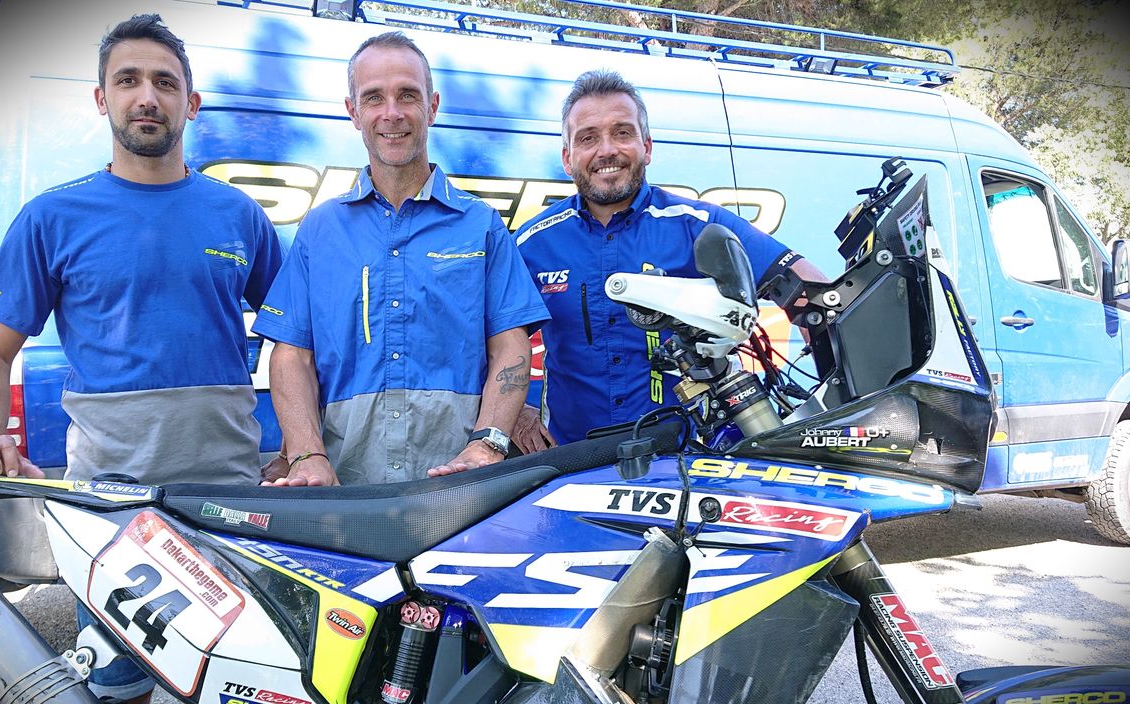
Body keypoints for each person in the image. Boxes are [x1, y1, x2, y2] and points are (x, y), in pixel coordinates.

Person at [0, 15, 281, 704]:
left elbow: (299, 340)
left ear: (191, 102)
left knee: (242, 699)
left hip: (229, 502)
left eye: (165, 82)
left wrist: (303, 443)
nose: (147, 97)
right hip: (112, 510)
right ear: (102, 99)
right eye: (128, 81)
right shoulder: (52, 216)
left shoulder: (238, 214)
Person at [254, 31, 548, 487]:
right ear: (353, 111)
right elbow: (292, 355)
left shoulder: (482, 226)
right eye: (374, 97)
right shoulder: (320, 230)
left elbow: (511, 345)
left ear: (432, 106)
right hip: (345, 491)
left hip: (461, 489)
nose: (391, 113)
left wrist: (488, 443)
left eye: (407, 95)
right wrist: (306, 454)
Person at [512, 69, 824, 450]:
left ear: (647, 147)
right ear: (567, 157)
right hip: (572, 460)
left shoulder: (699, 224)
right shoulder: (532, 242)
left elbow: (810, 293)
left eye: (622, 133)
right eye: (588, 138)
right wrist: (516, 414)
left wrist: (837, 394)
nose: (606, 150)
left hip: (685, 459)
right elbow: (480, 339)